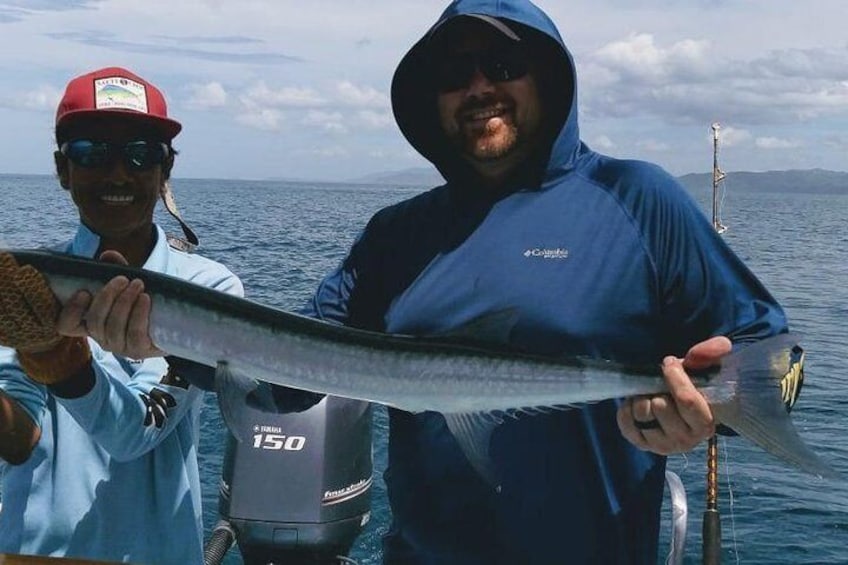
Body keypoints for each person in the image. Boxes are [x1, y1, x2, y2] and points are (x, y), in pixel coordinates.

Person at [35, 2, 792, 563]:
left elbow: (776, 357)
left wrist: (707, 413)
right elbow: (289, 379)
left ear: (549, 79)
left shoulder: (637, 199)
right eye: (453, 74)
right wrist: (164, 336)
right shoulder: (396, 236)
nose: (479, 87)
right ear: (428, 99)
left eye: (501, 67)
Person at [0, 66, 243, 564]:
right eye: (90, 152)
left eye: (140, 153)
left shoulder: (208, 291)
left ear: (164, 171)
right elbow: (20, 438)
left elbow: (138, 430)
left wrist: (58, 357)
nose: (117, 173)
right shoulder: (23, 284)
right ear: (62, 169)